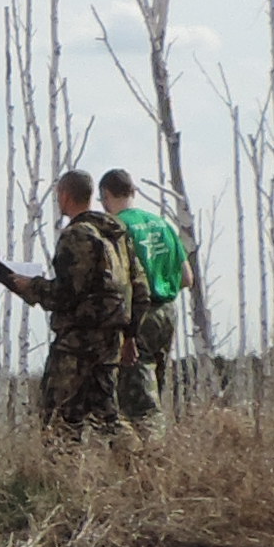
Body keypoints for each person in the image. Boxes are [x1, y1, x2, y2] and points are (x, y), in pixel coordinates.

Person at [0, 171, 139, 441]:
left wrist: (31, 285)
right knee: (105, 411)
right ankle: (139, 459)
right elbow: (139, 288)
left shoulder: (76, 235)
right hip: (111, 338)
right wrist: (130, 334)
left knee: (58, 416)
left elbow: (65, 294)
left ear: (64, 196)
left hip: (77, 343)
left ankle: (62, 465)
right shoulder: (116, 235)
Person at [98, 168, 191, 434]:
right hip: (167, 314)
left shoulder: (116, 228)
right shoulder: (162, 224)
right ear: (133, 191)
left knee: (139, 402)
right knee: (155, 387)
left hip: (138, 317)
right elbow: (187, 278)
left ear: (106, 195)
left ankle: (150, 453)